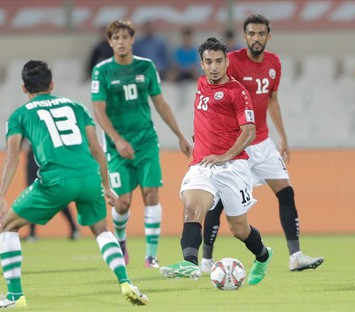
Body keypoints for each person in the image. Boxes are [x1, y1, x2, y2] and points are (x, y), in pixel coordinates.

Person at [0, 60, 148, 309]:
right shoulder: (76, 107)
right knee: (102, 230)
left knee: (7, 225)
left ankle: (15, 296)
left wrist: (1, 197)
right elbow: (96, 149)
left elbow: (12, 156)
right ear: (52, 85)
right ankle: (125, 282)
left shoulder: (19, 115)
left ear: (23, 88)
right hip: (90, 176)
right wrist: (105, 185)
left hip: (56, 179)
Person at [201, 14, 324, 273]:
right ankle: (206, 261)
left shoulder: (274, 63)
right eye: (251, 34)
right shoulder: (230, 61)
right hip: (236, 144)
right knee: (220, 199)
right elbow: (213, 95)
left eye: (260, 34)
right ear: (244, 36)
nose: (256, 38)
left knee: (286, 192)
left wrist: (283, 137)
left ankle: (296, 256)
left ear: (268, 36)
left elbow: (272, 100)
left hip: (264, 142)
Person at [159, 37, 273, 286]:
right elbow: (207, 114)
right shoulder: (201, 83)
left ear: (226, 62)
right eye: (209, 62)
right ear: (201, 64)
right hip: (203, 165)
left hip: (233, 167)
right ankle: (190, 263)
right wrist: (197, 135)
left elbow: (249, 131)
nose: (214, 67)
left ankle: (263, 256)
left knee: (239, 230)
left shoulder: (237, 92)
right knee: (192, 209)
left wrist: (225, 155)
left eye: (219, 61)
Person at [91, 20, 192, 269]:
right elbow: (98, 110)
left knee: (151, 194)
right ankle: (122, 241)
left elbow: (160, 103)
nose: (121, 41)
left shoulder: (146, 67)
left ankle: (151, 255)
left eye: (125, 37)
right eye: (116, 38)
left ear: (132, 40)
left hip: (146, 141)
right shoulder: (101, 71)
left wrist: (180, 134)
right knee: (122, 203)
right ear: (110, 42)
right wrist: (117, 139)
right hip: (117, 147)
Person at [23, 145, 79, 241]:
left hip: (47, 162)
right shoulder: (27, 131)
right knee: (32, 197)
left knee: (58, 196)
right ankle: (32, 233)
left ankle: (74, 228)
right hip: (33, 161)